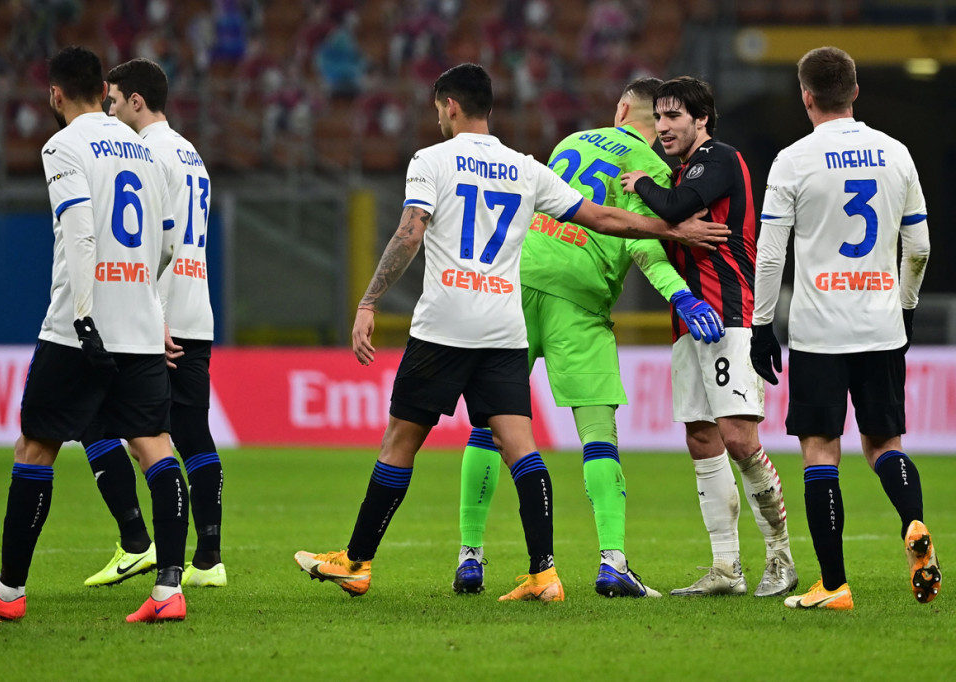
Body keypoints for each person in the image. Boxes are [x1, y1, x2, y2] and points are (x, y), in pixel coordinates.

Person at [293, 63, 729, 601]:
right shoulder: (553, 166)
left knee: (421, 439)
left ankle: (415, 559)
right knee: (554, 442)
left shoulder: (483, 153)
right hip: (533, 315)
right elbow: (610, 224)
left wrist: (369, 301)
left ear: (449, 105)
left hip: (478, 306)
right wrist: (674, 247)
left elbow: (411, 232)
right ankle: (573, 567)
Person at [451, 77, 724, 600]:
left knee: (488, 425)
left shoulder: (571, 142)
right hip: (579, 300)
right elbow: (644, 247)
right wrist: (681, 296)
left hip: (516, 284)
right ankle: (612, 562)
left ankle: (470, 556)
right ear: (657, 121)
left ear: (621, 107)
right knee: (598, 435)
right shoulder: (657, 174)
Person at [0, 46, 188, 623]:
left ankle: (7, 592)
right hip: (140, 325)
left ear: (55, 95)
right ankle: (168, 592)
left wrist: (83, 315)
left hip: (81, 331)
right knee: (155, 447)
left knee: (35, 447)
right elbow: (169, 242)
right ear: (105, 90)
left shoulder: (63, 146)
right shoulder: (146, 150)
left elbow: (79, 232)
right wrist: (143, 300)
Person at [751, 46, 936, 610]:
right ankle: (913, 523)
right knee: (884, 444)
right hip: (880, 326)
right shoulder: (896, 153)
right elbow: (920, 247)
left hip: (819, 332)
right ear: (855, 92)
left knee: (819, 450)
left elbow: (769, 257)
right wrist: (903, 308)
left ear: (806, 96)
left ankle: (833, 586)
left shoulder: (793, 160)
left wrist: (761, 325)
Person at [621, 76, 797, 598]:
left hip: (728, 315)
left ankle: (781, 556)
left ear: (701, 120)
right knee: (701, 437)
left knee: (739, 437)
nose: (665, 126)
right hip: (688, 321)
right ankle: (726, 569)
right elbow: (674, 220)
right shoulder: (678, 171)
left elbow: (675, 208)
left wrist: (642, 188)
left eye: (675, 117)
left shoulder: (719, 158)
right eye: (660, 117)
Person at [79, 58, 226, 589]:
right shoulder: (193, 155)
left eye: (113, 101)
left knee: (94, 420)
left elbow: (155, 246)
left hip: (153, 317)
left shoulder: (141, 153)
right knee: (192, 435)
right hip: (197, 310)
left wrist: (152, 317)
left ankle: (135, 542)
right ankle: (209, 560)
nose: (108, 109)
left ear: (136, 101)